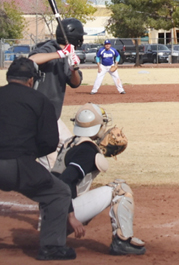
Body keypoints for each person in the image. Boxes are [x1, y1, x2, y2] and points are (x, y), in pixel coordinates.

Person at [0, 58, 76, 261]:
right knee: (59, 192)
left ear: (9, 77)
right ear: (31, 80)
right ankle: (51, 247)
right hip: (17, 166)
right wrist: (28, 155)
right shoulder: (40, 100)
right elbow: (49, 142)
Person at [52, 103, 146, 256]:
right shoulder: (87, 151)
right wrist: (71, 217)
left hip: (51, 211)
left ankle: (56, 231)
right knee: (119, 187)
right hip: (62, 214)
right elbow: (64, 181)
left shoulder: (72, 142)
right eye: (103, 124)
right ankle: (122, 242)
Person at [30, 18, 85, 168]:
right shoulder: (49, 48)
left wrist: (74, 68)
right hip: (38, 116)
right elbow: (32, 59)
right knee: (51, 163)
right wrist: (60, 54)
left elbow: (75, 83)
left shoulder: (69, 54)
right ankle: (51, 189)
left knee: (71, 148)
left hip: (53, 116)